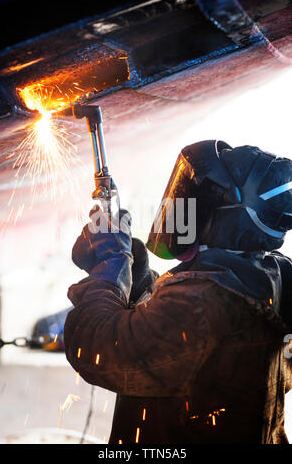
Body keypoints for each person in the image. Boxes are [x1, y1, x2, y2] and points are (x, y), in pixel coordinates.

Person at [64, 140, 292, 444]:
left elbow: (98, 347)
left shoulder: (201, 305)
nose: (185, 207)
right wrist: (138, 277)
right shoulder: (271, 277)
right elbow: (180, 343)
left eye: (196, 199)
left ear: (229, 211)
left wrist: (110, 265)